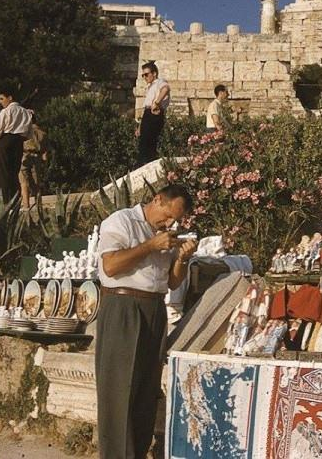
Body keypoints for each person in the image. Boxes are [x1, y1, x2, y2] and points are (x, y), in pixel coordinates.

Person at [95, 184, 196, 459]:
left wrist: (182, 259)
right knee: (119, 390)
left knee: (144, 390)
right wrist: (150, 245)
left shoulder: (164, 235)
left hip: (154, 309)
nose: (171, 222)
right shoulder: (122, 221)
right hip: (123, 307)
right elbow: (111, 266)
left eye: (177, 219)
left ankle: (137, 453)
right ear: (157, 200)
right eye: (169, 215)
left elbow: (172, 281)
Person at [0, 91, 33, 203]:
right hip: (18, 142)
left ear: (10, 98)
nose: (0, 102)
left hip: (4, 141)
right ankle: (14, 200)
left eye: (1, 98)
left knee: (1, 173)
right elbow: (29, 134)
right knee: (14, 172)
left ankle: (3, 201)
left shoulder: (6, 111)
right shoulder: (26, 112)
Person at [135, 62, 169, 167]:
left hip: (154, 113)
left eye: (146, 74)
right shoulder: (150, 87)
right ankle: (144, 164)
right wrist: (140, 127)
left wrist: (157, 102)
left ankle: (146, 164)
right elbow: (146, 108)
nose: (144, 77)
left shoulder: (160, 82)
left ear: (154, 73)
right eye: (143, 75)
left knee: (149, 141)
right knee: (144, 140)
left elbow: (165, 89)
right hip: (147, 114)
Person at [19, 120, 48, 209]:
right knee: (36, 182)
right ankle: (38, 204)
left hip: (24, 155)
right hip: (36, 156)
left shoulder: (22, 130)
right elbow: (45, 149)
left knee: (24, 182)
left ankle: (26, 205)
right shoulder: (41, 132)